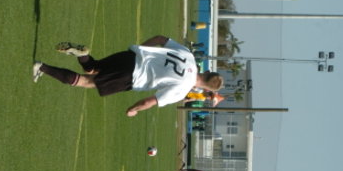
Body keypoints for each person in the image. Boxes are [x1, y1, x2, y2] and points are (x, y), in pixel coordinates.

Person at [32, 36, 223, 117]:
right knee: (86, 81)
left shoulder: (189, 55)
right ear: (205, 88)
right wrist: (133, 109)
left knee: (93, 68)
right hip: (132, 77)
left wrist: (142, 49)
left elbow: (160, 39)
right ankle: (41, 67)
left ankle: (82, 54)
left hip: (132, 57)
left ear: (206, 72)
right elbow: (151, 101)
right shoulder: (183, 89)